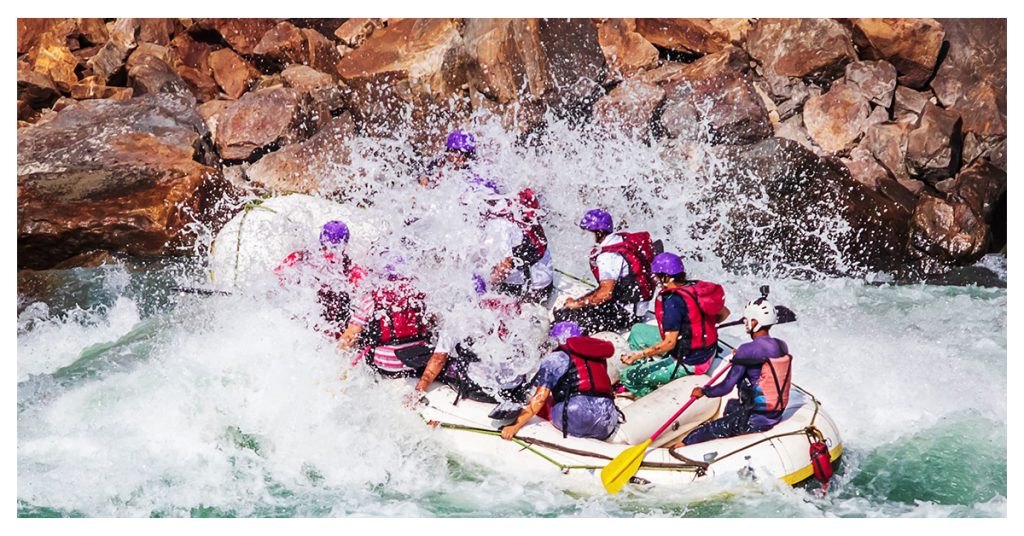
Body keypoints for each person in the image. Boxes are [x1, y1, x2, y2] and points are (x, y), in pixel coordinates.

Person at [680, 298, 793, 445]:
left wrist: (703, 391)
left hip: (755, 419)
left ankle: (682, 445)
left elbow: (726, 387)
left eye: (747, 320)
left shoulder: (747, 350)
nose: (745, 323)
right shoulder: (781, 345)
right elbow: (760, 361)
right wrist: (740, 357)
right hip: (775, 413)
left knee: (697, 435)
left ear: (754, 323)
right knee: (732, 406)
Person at [618, 253, 729, 397]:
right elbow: (725, 313)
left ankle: (646, 394)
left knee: (627, 376)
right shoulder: (695, 287)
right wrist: (699, 329)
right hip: (704, 350)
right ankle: (645, 368)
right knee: (637, 331)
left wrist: (637, 355)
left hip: (690, 361)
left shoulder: (672, 302)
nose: (656, 280)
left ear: (665, 277)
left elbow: (669, 344)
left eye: (657, 276)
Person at [501, 322, 620, 441]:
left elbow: (540, 398)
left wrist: (515, 426)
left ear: (556, 340)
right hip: (607, 422)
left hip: (575, 418)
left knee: (545, 402)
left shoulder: (555, 359)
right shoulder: (597, 357)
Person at [408, 296, 531, 408]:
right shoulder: (519, 320)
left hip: (481, 391)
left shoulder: (457, 320)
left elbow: (438, 360)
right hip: (514, 388)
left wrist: (418, 392)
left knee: (450, 363)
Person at [553, 209, 655, 333]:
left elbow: (605, 293)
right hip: (635, 307)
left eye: (588, 232)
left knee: (566, 317)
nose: (584, 235)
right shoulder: (619, 239)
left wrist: (576, 304)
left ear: (600, 232)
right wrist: (578, 301)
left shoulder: (607, 256)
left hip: (626, 315)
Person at [336, 259, 433, 378]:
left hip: (387, 367)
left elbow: (350, 337)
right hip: (420, 361)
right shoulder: (422, 294)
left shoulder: (372, 299)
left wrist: (336, 355)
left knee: (365, 340)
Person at [275, 220, 366, 339]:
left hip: (301, 324)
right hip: (334, 330)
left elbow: (276, 278)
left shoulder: (300, 257)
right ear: (346, 243)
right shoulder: (351, 269)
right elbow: (363, 299)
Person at [480, 188, 554, 304]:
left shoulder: (500, 224)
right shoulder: (517, 208)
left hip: (530, 290)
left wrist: (485, 284)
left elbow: (506, 266)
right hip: (545, 282)